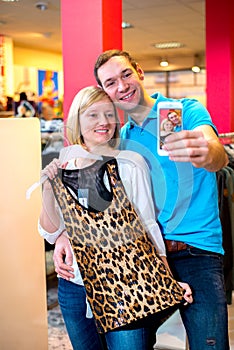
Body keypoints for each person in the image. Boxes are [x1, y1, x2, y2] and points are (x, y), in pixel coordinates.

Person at [54, 49, 229, 350]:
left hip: (197, 252)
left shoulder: (185, 111)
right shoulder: (119, 140)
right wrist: (63, 234)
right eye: (110, 83)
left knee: (209, 344)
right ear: (106, 92)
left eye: (125, 75)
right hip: (143, 256)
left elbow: (216, 153)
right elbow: (93, 201)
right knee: (134, 342)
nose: (121, 86)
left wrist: (206, 152)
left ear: (139, 72)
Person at [39, 86, 192, 350]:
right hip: (75, 285)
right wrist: (48, 188)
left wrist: (166, 279)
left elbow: (147, 225)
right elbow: (49, 230)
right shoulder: (65, 163)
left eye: (109, 114)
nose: (104, 122)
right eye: (93, 115)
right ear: (77, 120)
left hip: (125, 286)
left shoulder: (129, 163)